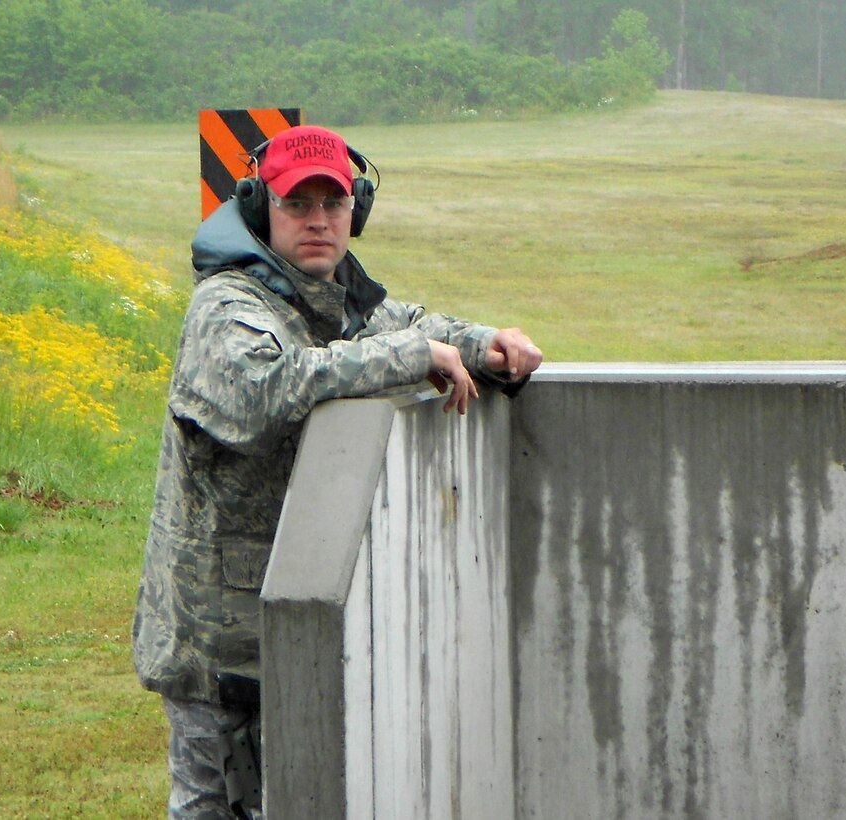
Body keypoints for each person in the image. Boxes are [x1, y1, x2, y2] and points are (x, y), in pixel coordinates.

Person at [131, 124, 542, 818]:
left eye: (335, 203)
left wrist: (482, 344)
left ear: (358, 210)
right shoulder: (227, 305)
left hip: (285, 625)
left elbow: (408, 320)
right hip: (218, 648)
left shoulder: (336, 294)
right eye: (298, 204)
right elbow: (263, 393)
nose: (318, 220)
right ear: (263, 209)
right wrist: (414, 356)